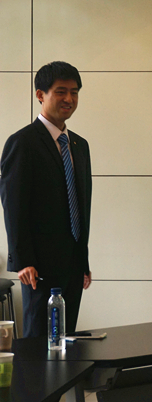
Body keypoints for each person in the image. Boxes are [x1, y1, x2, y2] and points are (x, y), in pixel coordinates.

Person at [0, 61, 92, 337]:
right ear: (40, 95)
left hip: (73, 265)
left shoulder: (79, 145)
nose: (69, 99)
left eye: (74, 92)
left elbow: (81, 205)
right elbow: (14, 205)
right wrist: (22, 259)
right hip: (38, 267)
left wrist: (83, 261)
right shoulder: (23, 143)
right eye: (60, 91)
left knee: (67, 341)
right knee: (39, 345)